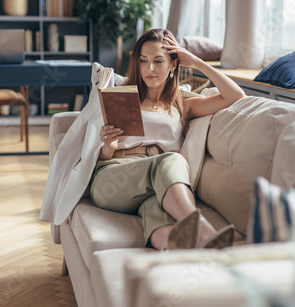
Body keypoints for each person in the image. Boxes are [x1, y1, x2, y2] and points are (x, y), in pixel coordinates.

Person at [89, 28, 246, 250]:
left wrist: (197, 62)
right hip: (113, 179)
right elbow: (98, 154)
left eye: (158, 61)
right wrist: (108, 146)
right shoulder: (121, 96)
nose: (149, 69)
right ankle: (201, 226)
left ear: (174, 64)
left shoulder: (183, 104)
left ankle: (180, 252)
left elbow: (236, 96)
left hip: (158, 185)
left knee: (158, 212)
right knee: (172, 159)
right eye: (143, 61)